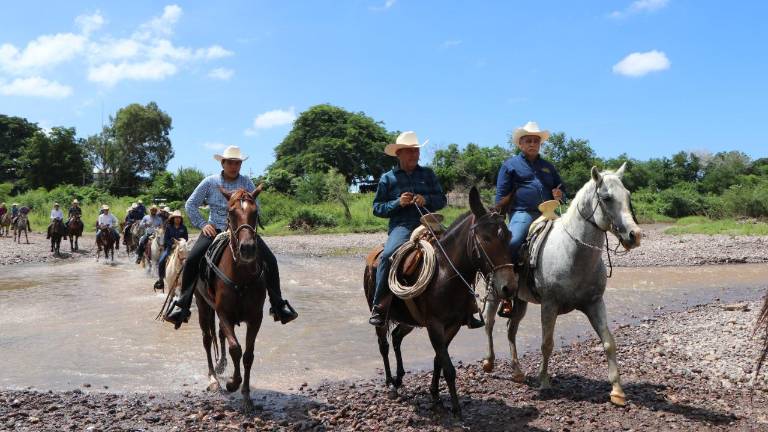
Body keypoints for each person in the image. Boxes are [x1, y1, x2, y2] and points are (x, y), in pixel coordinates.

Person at [164, 145, 298, 328]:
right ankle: (182, 305)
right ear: (223, 163)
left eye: (238, 163)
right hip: (216, 231)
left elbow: (254, 207)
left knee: (271, 260)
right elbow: (190, 204)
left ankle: (278, 305)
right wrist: (204, 225)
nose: (235, 167)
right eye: (231, 163)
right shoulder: (210, 182)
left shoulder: (247, 183)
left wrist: (250, 227)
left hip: (243, 232)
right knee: (192, 260)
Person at [368, 131, 484, 328]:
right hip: (402, 226)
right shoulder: (388, 179)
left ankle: (468, 304)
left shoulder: (427, 174)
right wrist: (397, 203)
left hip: (430, 222)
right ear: (399, 154)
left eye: (416, 151)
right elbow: (377, 208)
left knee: (462, 250)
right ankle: (380, 305)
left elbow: (442, 200)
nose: (414, 155)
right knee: (388, 256)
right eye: (409, 152)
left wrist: (426, 200)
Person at [495, 121, 565, 316]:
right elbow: (500, 197)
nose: (533, 144)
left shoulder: (548, 167)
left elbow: (562, 190)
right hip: (522, 213)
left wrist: (560, 196)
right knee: (514, 241)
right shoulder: (510, 166)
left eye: (536, 141)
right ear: (520, 144)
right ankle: (506, 292)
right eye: (528, 141)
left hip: (549, 212)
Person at [153, 210, 189, 291]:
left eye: (179, 218)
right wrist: (172, 244)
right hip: (170, 248)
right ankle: (161, 279)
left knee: (189, 261)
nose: (177, 219)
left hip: (181, 249)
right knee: (161, 261)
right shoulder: (169, 227)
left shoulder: (184, 228)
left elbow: (186, 238)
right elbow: (166, 239)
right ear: (173, 219)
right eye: (176, 218)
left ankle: (189, 281)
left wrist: (181, 242)